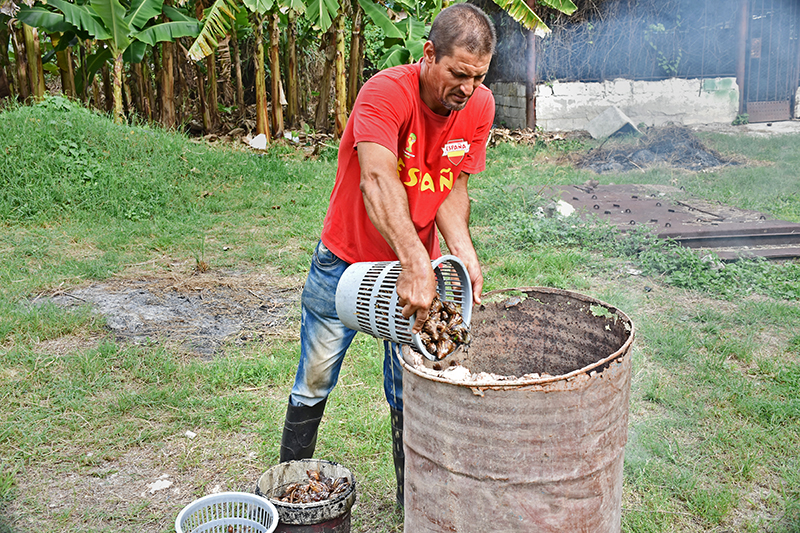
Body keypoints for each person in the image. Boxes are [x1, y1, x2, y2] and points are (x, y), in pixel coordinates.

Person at [278, 3, 496, 508]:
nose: (467, 89)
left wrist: (461, 253)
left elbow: (451, 186)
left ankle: (411, 504)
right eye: (458, 74)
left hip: (416, 277)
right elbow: (377, 178)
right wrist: (415, 260)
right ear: (429, 55)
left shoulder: (479, 106)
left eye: (478, 77)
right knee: (315, 376)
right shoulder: (384, 93)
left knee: (410, 386)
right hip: (346, 262)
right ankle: (288, 491)